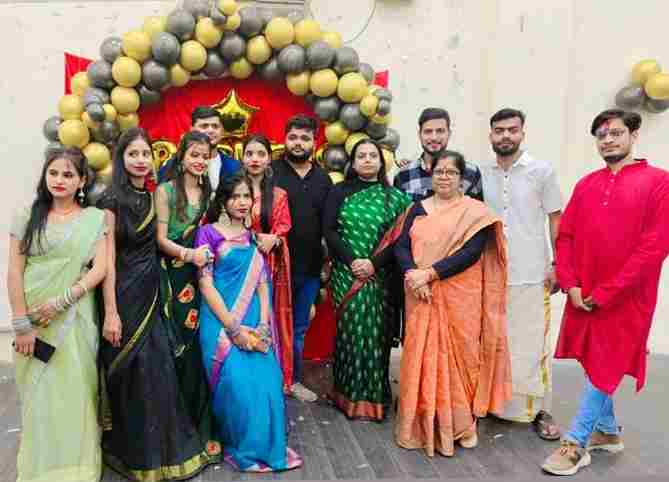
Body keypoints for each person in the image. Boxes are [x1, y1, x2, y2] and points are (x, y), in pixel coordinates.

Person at [541, 109, 669, 476]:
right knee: (595, 360)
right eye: (601, 135)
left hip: (628, 298)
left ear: (633, 135)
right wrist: (571, 283)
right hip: (584, 293)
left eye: (615, 133)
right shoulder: (587, 184)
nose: (608, 140)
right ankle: (608, 432)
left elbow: (655, 247)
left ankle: (576, 442)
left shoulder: (659, 182)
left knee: (608, 361)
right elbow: (566, 236)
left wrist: (607, 292)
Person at [97, 127, 215, 481]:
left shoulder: (152, 197)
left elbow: (160, 245)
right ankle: (134, 452)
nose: (140, 160)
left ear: (154, 159)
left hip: (154, 290)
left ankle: (159, 452)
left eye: (145, 154)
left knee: (157, 369)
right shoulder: (110, 201)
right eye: (132, 153)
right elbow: (107, 260)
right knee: (132, 370)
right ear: (121, 158)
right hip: (123, 294)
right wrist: (111, 312)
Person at [394, 150, 511, 457]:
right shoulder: (416, 209)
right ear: (431, 176)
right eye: (439, 172)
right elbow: (401, 246)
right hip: (419, 293)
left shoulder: (475, 212)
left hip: (459, 296)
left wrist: (430, 274)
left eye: (451, 172)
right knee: (420, 357)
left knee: (462, 358)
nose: (444, 177)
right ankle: (424, 422)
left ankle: (462, 425)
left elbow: (471, 252)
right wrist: (413, 275)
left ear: (462, 178)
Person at [7, 147, 108, 482]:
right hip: (32, 322)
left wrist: (62, 301)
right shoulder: (26, 215)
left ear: (81, 181)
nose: (59, 180)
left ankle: (75, 467)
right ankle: (42, 466)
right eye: (53, 173)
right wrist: (21, 324)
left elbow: (100, 269)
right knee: (39, 396)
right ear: (44, 176)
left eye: (68, 174)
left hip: (74, 317)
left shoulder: (94, 219)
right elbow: (14, 271)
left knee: (75, 391)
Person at [194, 173, 302, 472]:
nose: (242, 203)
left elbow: (263, 283)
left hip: (255, 319)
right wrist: (233, 328)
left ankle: (268, 448)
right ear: (223, 201)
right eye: (235, 197)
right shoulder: (207, 234)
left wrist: (264, 324)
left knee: (267, 383)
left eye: (246, 197)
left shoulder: (253, 236)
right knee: (237, 383)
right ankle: (243, 448)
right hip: (220, 321)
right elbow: (206, 285)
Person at [479, 108, 563, 440]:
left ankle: (539, 409)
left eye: (512, 130)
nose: (505, 136)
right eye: (499, 130)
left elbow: (556, 219)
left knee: (531, 344)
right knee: (494, 342)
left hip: (531, 273)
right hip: (490, 272)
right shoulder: (481, 173)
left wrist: (558, 264)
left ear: (522, 134)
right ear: (491, 135)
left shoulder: (541, 171)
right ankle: (494, 405)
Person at [323, 138, 412, 421]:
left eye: (373, 155)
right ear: (352, 162)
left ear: (381, 162)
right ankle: (345, 394)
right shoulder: (339, 191)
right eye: (361, 156)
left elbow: (400, 239)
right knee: (350, 333)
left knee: (375, 336)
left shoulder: (395, 198)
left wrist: (373, 264)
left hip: (380, 277)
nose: (367, 160)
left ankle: (374, 398)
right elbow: (329, 231)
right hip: (346, 273)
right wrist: (353, 262)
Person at [155, 130, 221, 457]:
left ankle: (199, 420)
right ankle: (174, 423)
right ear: (181, 157)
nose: (199, 161)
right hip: (172, 276)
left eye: (204, 156)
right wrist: (188, 254)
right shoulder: (165, 191)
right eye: (194, 154)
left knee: (199, 345)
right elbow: (160, 239)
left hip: (202, 277)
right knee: (176, 343)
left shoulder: (210, 194)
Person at [272, 115, 333, 403]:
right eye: (293, 137)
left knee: (297, 329)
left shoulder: (323, 180)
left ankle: (293, 380)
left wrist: (326, 265)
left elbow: (329, 227)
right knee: (269, 325)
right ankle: (269, 381)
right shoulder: (271, 172)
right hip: (272, 268)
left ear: (314, 142)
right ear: (285, 139)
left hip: (309, 270)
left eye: (305, 138)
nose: (298, 143)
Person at [242, 134, 294, 390]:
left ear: (269, 159)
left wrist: (275, 238)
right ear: (242, 158)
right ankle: (244, 376)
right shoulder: (233, 191)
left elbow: (283, 227)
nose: (255, 159)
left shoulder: (279, 195)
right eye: (249, 153)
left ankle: (269, 378)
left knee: (266, 318)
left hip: (268, 267)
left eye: (261, 154)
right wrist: (253, 237)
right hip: (239, 265)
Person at [393, 107, 483, 201]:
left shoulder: (470, 172)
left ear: (449, 134)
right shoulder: (403, 174)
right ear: (419, 135)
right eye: (428, 132)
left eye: (440, 131)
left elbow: (478, 209)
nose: (434, 138)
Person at [158, 106, 240, 191]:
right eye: (204, 126)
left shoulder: (235, 167)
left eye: (215, 126)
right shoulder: (172, 166)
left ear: (222, 131)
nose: (210, 130)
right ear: (192, 129)